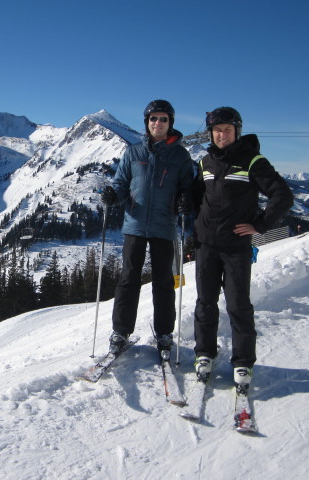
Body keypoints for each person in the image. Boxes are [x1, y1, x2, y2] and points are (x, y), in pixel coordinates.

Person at [192, 106, 294, 391]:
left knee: (238, 305)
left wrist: (260, 225)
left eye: (226, 129)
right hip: (206, 246)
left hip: (235, 248)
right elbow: (198, 196)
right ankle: (204, 353)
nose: (221, 134)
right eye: (216, 130)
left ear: (237, 131)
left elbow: (283, 196)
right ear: (211, 134)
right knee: (205, 303)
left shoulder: (252, 161)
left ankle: (243, 362)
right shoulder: (206, 162)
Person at [101, 99, 193, 358]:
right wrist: (112, 195)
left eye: (163, 119)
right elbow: (121, 183)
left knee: (163, 282)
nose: (158, 123)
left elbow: (187, 187)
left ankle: (164, 333)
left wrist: (186, 199)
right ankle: (120, 331)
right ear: (147, 122)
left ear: (170, 123)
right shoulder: (134, 152)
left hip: (164, 225)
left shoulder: (181, 156)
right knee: (128, 279)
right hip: (135, 225)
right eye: (154, 119)